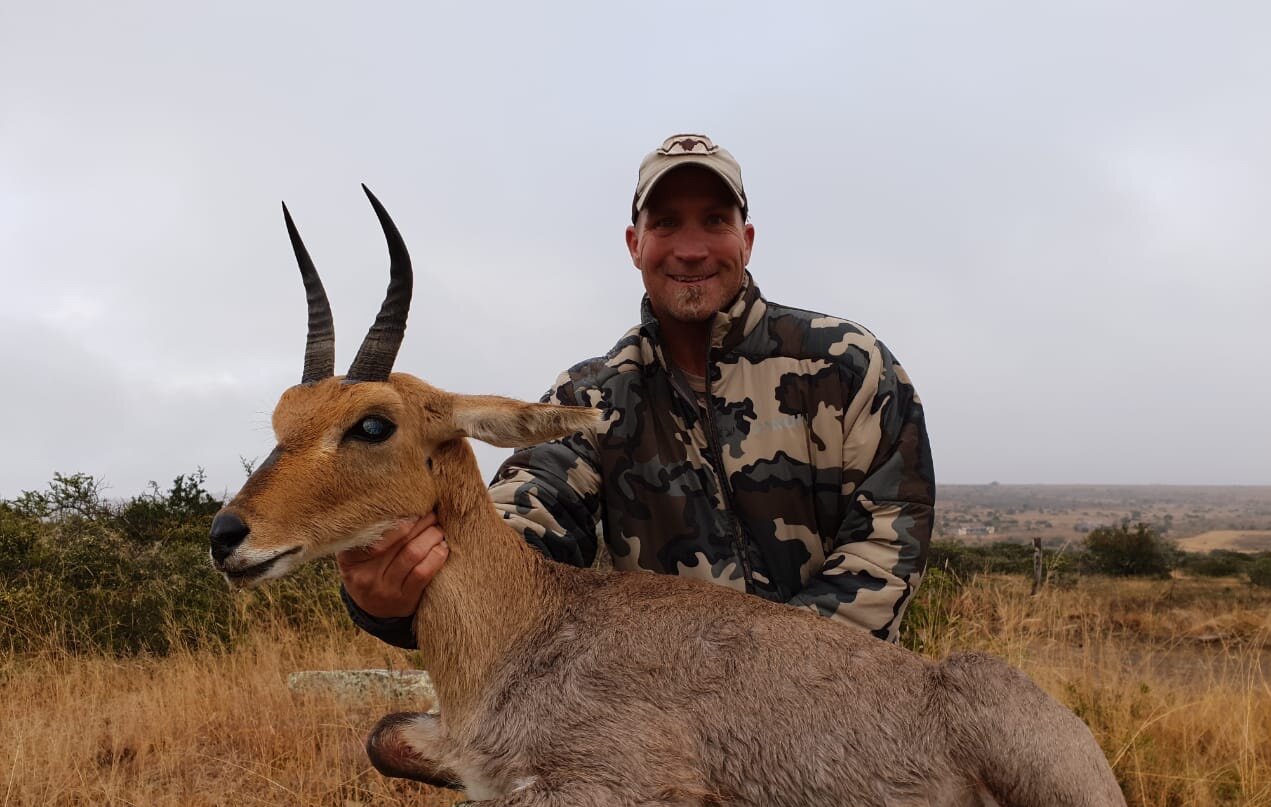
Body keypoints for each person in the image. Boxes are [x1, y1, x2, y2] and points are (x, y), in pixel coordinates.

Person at [339, 133, 935, 646]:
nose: (692, 247)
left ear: (747, 239)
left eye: (715, 221)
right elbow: (522, 526)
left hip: (840, 709)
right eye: (667, 223)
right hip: (664, 726)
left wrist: (761, 689)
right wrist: (396, 593)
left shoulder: (847, 365)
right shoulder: (591, 396)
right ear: (635, 245)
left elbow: (886, 545)